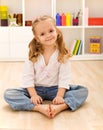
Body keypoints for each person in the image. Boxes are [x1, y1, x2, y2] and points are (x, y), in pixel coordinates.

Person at [4, 15, 88, 118]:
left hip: (55, 89)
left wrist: (59, 96)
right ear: (37, 38)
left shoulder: (62, 53)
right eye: (43, 34)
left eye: (51, 31)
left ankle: (60, 107)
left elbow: (64, 77)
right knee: (9, 94)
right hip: (36, 89)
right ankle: (38, 108)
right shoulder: (33, 54)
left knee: (83, 91)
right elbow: (27, 76)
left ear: (56, 31)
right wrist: (33, 95)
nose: (48, 35)